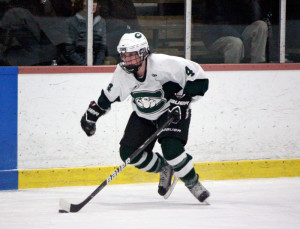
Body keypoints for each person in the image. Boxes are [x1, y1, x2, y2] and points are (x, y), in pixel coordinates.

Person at [80, 32, 210, 202]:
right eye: (125, 55)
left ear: (144, 53)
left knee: (171, 150)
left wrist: (183, 99)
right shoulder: (122, 72)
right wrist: (92, 115)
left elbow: (201, 80)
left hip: (170, 111)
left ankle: (193, 182)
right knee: (128, 153)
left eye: (132, 55)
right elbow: (109, 96)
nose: (128, 59)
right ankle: (164, 168)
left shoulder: (165, 65)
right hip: (143, 114)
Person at [201, 0, 268, 63]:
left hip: (240, 36)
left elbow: (255, 18)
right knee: (235, 42)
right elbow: (219, 24)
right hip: (217, 38)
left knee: (260, 25)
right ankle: (232, 73)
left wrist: (253, 2)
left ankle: (257, 65)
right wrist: (240, 38)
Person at [64, 0, 106, 65]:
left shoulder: (101, 22)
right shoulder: (72, 22)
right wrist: (85, 67)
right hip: (77, 67)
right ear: (80, 4)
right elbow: (69, 50)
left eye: (94, 1)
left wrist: (97, 67)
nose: (93, 4)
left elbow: (102, 48)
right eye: (88, 1)